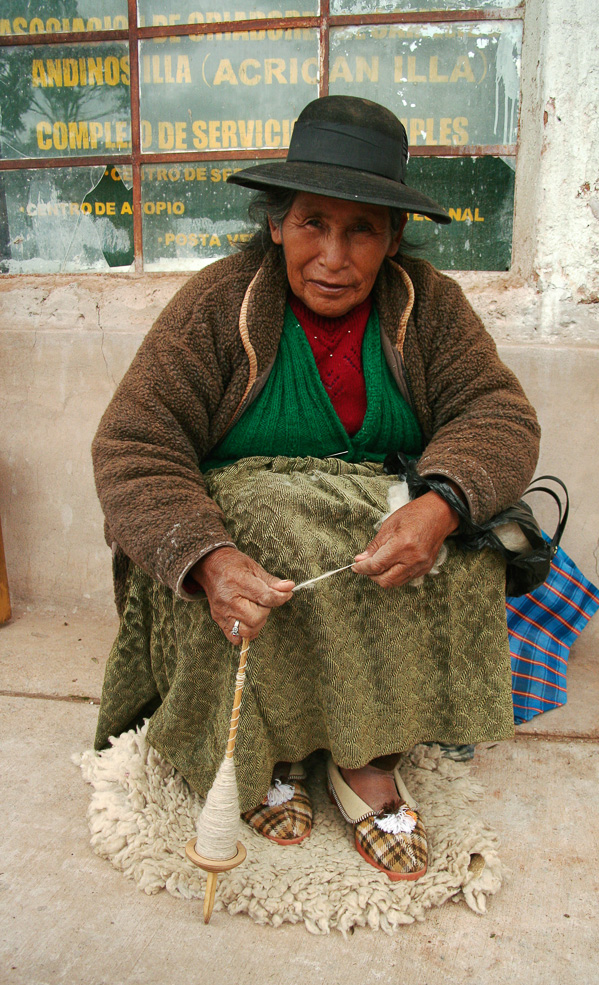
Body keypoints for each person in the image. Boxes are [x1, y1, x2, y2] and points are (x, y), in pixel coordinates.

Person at [92, 95, 540, 881]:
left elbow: (496, 415)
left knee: (467, 550)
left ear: (393, 237)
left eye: (361, 228)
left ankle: (367, 757)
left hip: (374, 512)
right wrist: (206, 558)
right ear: (276, 225)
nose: (333, 255)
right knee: (270, 523)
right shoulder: (217, 305)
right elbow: (135, 444)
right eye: (312, 224)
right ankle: (261, 753)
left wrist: (440, 505)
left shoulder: (427, 305)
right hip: (239, 529)